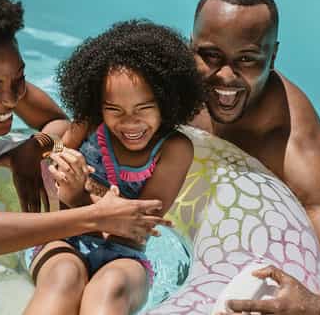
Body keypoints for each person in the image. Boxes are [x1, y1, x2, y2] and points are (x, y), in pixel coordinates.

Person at [0, 0, 169, 274]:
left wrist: (33, 148)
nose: (12, 100)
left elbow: (56, 121)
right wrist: (96, 217)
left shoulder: (3, 86)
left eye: (19, 79)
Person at [190, 0, 320, 314]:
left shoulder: (292, 143)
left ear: (273, 56)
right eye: (210, 55)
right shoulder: (168, 83)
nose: (225, 75)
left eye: (247, 59)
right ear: (190, 44)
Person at [22, 20, 205, 315]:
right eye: (114, 110)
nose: (130, 123)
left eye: (143, 109)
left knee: (110, 287)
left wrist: (80, 197)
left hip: (126, 254)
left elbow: (139, 224)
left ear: (166, 101)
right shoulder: (87, 124)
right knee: (64, 278)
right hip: (65, 235)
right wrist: (68, 189)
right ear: (99, 104)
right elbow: (53, 183)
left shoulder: (174, 148)